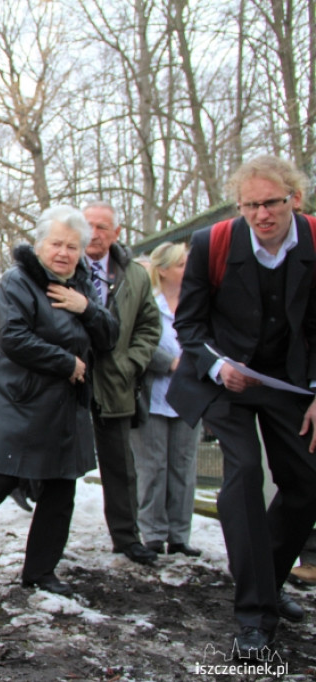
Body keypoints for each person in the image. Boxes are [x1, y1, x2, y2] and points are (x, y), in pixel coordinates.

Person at [167, 155, 316, 655]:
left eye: (271, 202)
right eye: (250, 204)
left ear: (293, 198)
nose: (262, 214)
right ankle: (254, 617)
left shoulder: (314, 239)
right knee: (244, 472)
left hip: (289, 382)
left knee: (306, 480)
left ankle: (265, 583)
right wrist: (215, 365)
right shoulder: (213, 243)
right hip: (225, 378)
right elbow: (188, 324)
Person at [0, 206, 118, 595]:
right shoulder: (16, 282)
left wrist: (85, 309)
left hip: (66, 403)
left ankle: (40, 571)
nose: (64, 252)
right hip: (16, 398)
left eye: (73, 246)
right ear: (40, 244)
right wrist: (66, 362)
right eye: (56, 243)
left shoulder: (83, 285)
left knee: (60, 487)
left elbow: (110, 336)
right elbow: (13, 338)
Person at [83, 200, 162, 566]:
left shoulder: (135, 275)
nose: (94, 234)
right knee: (56, 460)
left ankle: (127, 537)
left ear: (117, 233)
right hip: (71, 379)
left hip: (116, 382)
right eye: (89, 226)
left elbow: (149, 326)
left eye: (103, 227)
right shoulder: (64, 266)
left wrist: (133, 363)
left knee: (120, 465)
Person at [128, 242, 202, 557]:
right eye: (182, 264)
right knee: (152, 468)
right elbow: (134, 339)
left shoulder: (198, 306)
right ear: (163, 270)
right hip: (152, 397)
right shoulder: (147, 304)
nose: (188, 270)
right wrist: (170, 362)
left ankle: (180, 536)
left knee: (183, 467)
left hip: (188, 399)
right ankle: (153, 533)